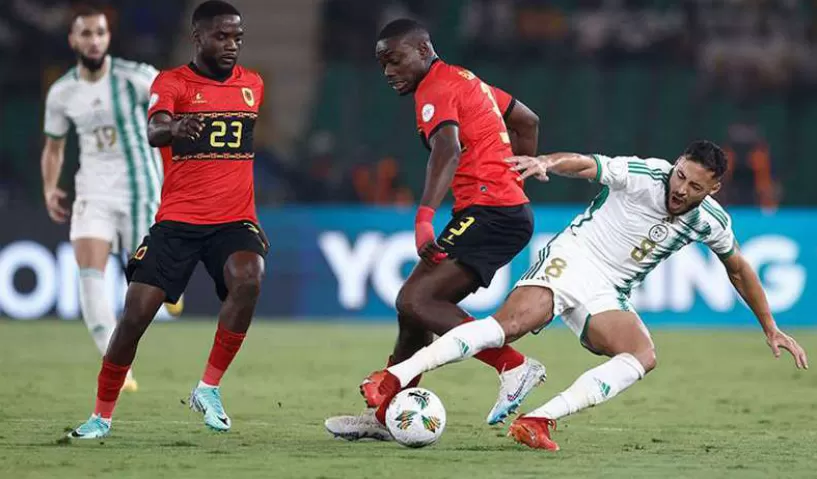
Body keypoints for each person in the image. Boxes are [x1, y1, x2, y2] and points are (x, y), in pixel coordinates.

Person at [361, 140, 809, 450]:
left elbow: (739, 268)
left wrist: (770, 327)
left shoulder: (710, 220)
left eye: (695, 186)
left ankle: (537, 420)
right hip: (574, 257)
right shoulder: (645, 174)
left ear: (713, 190)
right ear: (675, 165)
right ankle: (394, 377)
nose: (680, 189)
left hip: (608, 290)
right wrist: (547, 162)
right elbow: (587, 164)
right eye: (680, 176)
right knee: (508, 327)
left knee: (642, 356)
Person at [325, 19, 544, 441]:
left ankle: (514, 366)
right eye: (382, 64)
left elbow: (448, 148)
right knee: (413, 313)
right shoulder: (466, 80)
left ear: (424, 50)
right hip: (500, 209)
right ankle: (386, 416)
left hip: (491, 210)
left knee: (416, 299)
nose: (388, 71)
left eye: (395, 59)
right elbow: (527, 122)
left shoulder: (436, 88)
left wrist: (424, 217)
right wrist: (515, 179)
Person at [68, 0, 268, 439]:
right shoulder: (172, 82)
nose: (231, 45)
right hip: (178, 221)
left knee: (250, 276)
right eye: (221, 36)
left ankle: (208, 389)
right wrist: (173, 129)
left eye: (237, 37)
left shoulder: (252, 85)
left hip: (234, 219)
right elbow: (155, 129)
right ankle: (101, 416)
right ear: (197, 37)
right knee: (135, 315)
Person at [41, 6, 180, 395]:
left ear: (108, 37)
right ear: (73, 40)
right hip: (93, 191)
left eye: (100, 33)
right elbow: (54, 147)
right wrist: (50, 188)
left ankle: (172, 285)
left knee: (149, 279)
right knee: (89, 271)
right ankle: (116, 364)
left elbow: (173, 98)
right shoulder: (63, 92)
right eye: (86, 34)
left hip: (141, 189)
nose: (94, 40)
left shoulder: (135, 77)